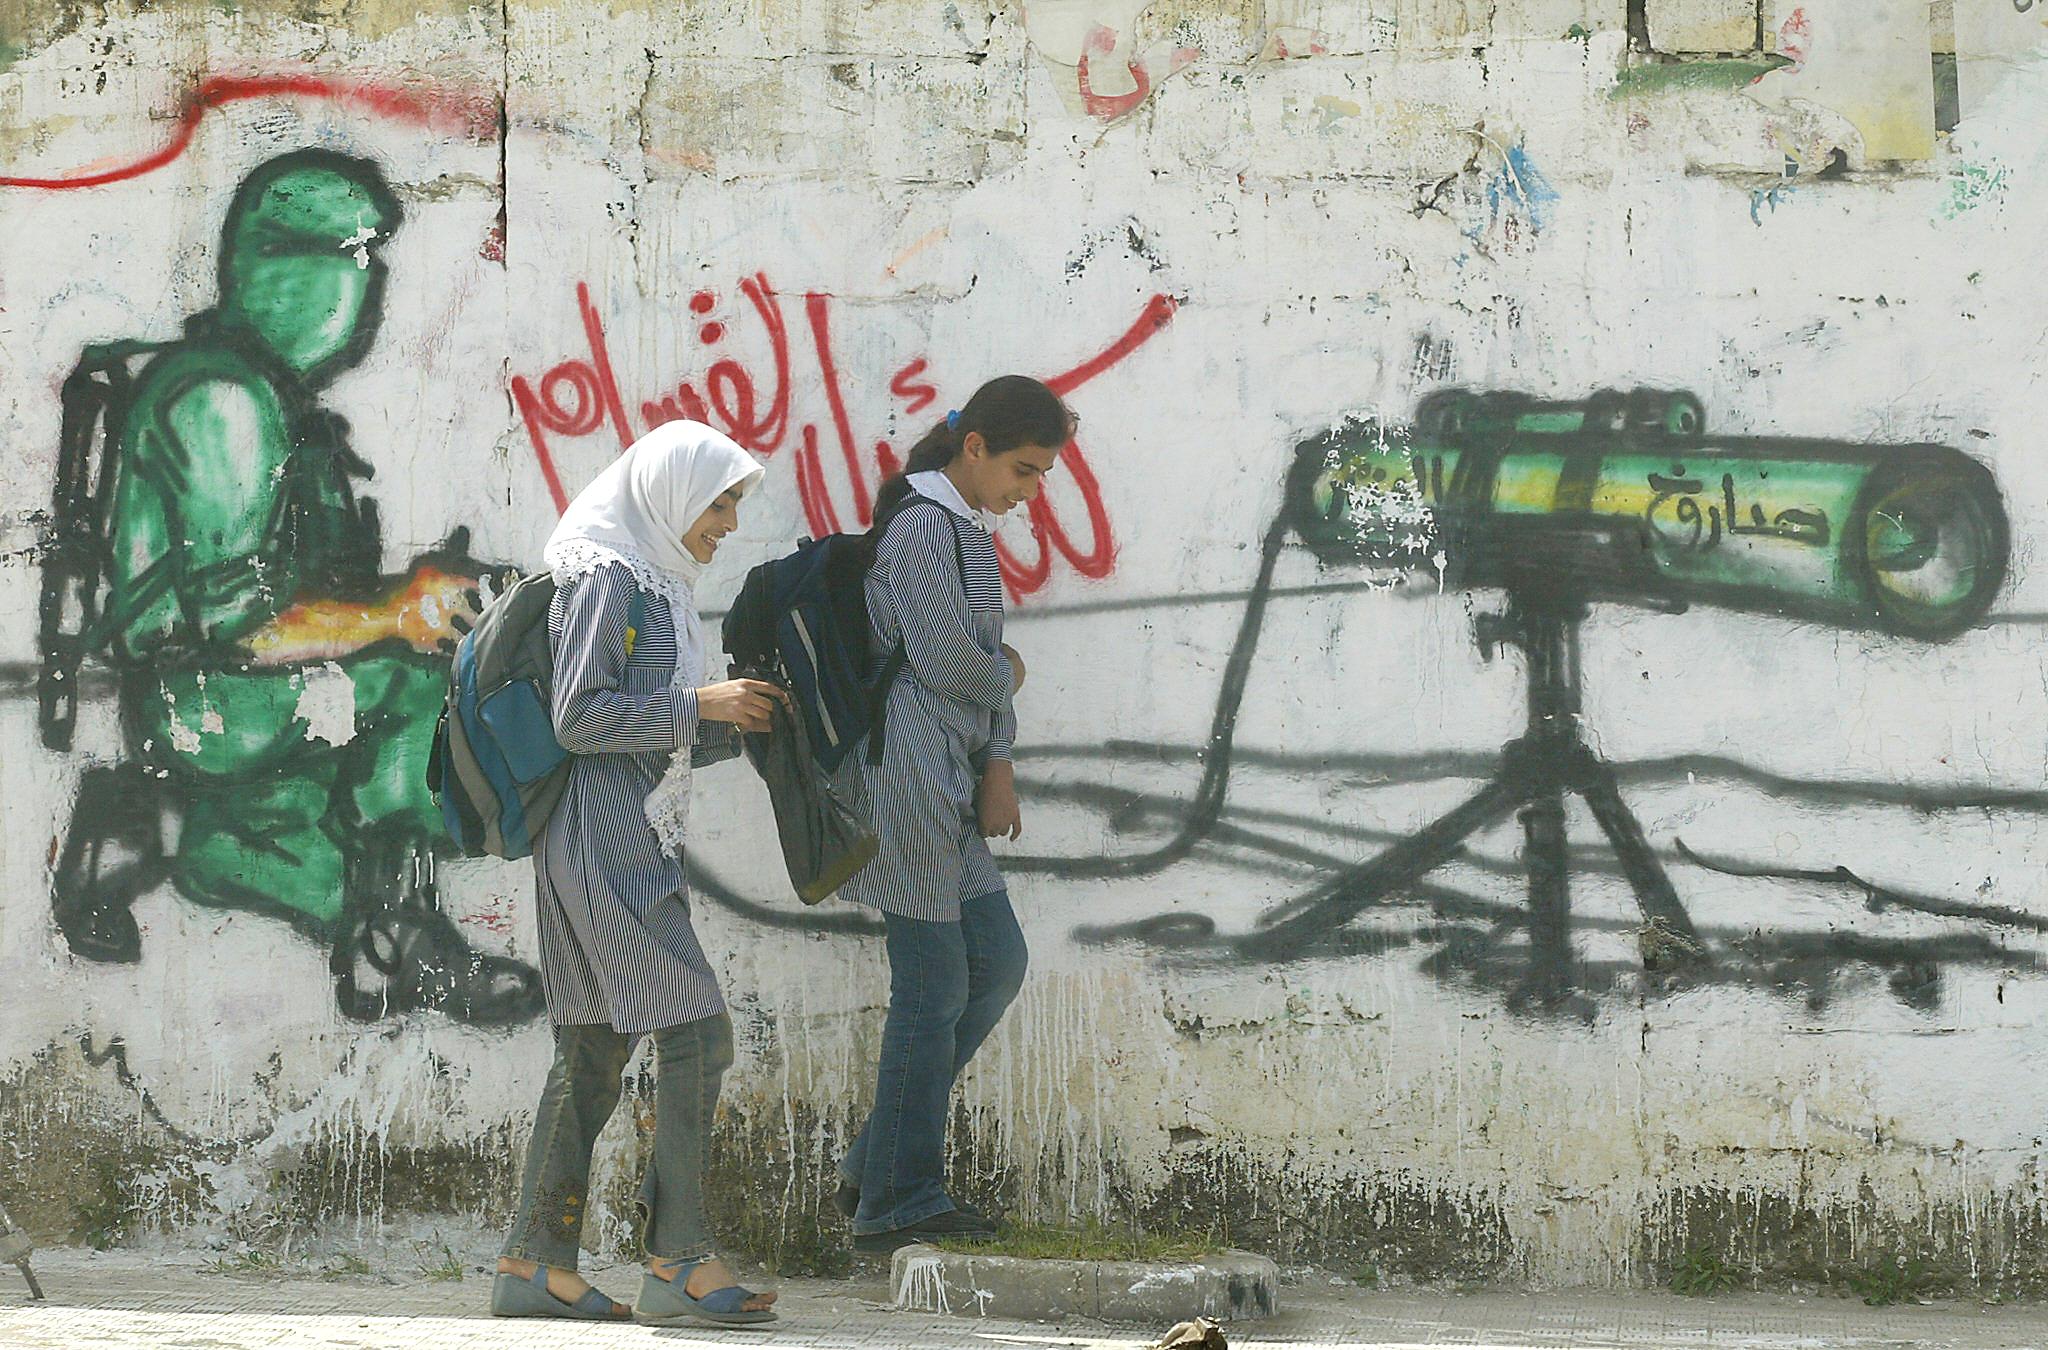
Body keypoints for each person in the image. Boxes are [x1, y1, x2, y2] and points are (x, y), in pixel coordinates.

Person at [46, 148, 537, 1025]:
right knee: (430, 687)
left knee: (301, 823)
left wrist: (410, 594)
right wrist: (399, 613)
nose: (366, 291)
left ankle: (170, 834)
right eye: (352, 261)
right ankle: (402, 927)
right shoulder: (222, 404)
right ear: (282, 267)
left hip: (238, 696)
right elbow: (243, 621)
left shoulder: (264, 399)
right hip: (209, 699)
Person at [492, 421, 788, 1327]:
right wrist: (699, 703)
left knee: (593, 1049)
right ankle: (680, 1266)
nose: (728, 522)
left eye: (736, 504)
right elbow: (581, 720)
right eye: (718, 502)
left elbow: (643, 729)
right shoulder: (605, 576)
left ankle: (533, 1267)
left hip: (621, 835)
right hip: (601, 843)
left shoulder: (652, 581)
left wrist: (735, 722)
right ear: (668, 493)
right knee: (697, 1035)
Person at [832, 375, 1072, 1253]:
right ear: (974, 448)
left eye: (1041, 474)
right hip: (908, 782)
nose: (1030, 490)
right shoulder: (927, 528)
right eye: (1024, 469)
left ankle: (875, 1163)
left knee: (995, 962)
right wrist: (1007, 674)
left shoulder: (963, 526)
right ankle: (897, 1199)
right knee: (932, 988)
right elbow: (949, 661)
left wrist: (997, 754)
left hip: (950, 782)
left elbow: (973, 664)